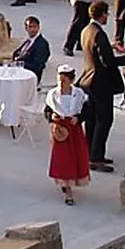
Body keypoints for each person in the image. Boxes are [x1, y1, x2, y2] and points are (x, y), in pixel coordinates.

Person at [79, 0, 124, 173]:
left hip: (89, 80)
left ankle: (90, 151)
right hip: (101, 83)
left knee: (92, 119)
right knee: (104, 120)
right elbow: (107, 61)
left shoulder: (86, 30)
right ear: (102, 14)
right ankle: (96, 156)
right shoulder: (99, 34)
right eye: (107, 14)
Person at [45, 65, 91, 205]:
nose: (61, 83)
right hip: (61, 130)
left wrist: (79, 117)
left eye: (64, 80)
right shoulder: (53, 95)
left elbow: (87, 110)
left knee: (76, 156)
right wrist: (52, 117)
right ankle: (67, 188)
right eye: (60, 80)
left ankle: (71, 181)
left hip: (74, 129)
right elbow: (47, 111)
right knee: (63, 158)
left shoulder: (79, 94)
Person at [10, 15, 51, 81]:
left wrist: (19, 63)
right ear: (26, 28)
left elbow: (37, 65)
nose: (32, 29)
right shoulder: (28, 41)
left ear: (38, 27)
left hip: (29, 77)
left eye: (34, 27)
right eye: (30, 27)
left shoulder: (41, 44)